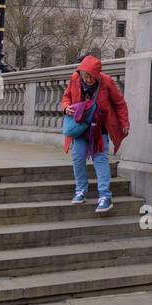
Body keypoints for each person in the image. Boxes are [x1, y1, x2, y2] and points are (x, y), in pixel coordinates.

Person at [60, 55, 128, 213]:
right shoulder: (75, 78)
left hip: (100, 128)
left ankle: (105, 196)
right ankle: (80, 190)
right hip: (80, 127)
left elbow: (119, 103)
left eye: (91, 77)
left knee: (100, 159)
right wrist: (66, 108)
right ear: (80, 73)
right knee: (78, 158)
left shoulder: (107, 82)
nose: (87, 79)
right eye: (85, 76)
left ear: (97, 75)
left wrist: (124, 123)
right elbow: (66, 97)